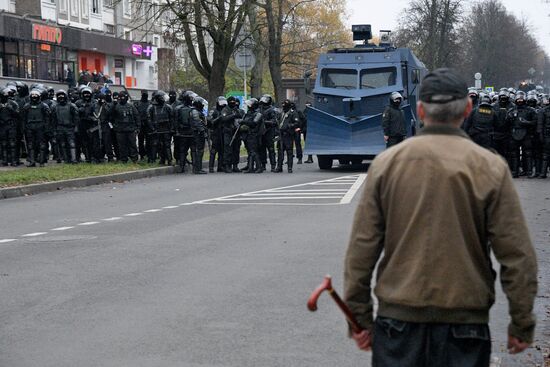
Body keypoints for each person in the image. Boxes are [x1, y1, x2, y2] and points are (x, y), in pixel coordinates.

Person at [344, 68, 537, 367]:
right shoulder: (490, 167)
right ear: (468, 109)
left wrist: (359, 318)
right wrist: (521, 321)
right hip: (465, 321)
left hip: (398, 320)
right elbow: (517, 253)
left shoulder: (386, 165)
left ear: (420, 110)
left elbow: (362, 248)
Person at [506, 91, 537, 178]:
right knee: (514, 154)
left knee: (528, 153)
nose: (520, 100)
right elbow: (506, 124)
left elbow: (535, 122)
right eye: (518, 99)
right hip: (514, 133)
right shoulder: (511, 110)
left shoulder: (530, 110)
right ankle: (515, 172)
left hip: (526, 133)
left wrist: (527, 122)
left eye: (521, 98)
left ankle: (529, 171)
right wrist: (509, 118)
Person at [22, 89, 50, 167]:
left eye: (36, 95)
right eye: (33, 95)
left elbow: (47, 118)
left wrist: (47, 128)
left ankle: (41, 162)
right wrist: (24, 128)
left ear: (39, 97)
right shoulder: (26, 106)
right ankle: (32, 161)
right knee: (30, 145)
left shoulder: (44, 106)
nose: (34, 97)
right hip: (30, 128)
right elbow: (24, 118)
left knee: (42, 145)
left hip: (40, 128)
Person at [110, 90, 139, 163]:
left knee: (132, 145)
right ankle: (124, 159)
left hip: (130, 129)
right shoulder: (116, 106)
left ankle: (134, 159)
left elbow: (136, 116)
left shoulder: (131, 106)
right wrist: (115, 127)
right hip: (120, 130)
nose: (122, 98)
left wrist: (138, 127)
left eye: (123, 97)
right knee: (122, 146)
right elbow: (111, 117)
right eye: (120, 97)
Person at [51, 89, 79, 163]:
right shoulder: (55, 107)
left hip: (70, 128)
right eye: (59, 95)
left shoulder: (72, 106)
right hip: (60, 128)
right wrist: (54, 130)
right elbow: (53, 120)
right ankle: (66, 159)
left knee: (72, 144)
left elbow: (76, 118)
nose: (61, 97)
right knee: (62, 144)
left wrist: (76, 127)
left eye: (62, 95)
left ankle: (74, 159)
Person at [147, 90, 173, 165]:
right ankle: (154, 160)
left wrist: (171, 128)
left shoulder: (168, 107)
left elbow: (172, 119)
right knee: (156, 145)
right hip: (156, 129)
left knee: (167, 145)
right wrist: (152, 128)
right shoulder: (151, 107)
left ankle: (169, 160)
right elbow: (149, 119)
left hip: (166, 129)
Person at [275, 99, 300, 173]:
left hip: (288, 135)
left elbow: (297, 123)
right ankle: (279, 167)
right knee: (280, 151)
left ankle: (289, 167)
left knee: (289, 152)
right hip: (281, 134)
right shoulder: (281, 113)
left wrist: (289, 126)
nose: (284, 107)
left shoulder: (293, 113)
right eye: (283, 106)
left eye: (285, 106)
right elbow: (278, 122)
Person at [240, 98, 264, 173]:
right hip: (248, 135)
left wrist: (243, 121)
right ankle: (250, 167)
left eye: (250, 105)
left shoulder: (258, 114)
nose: (248, 106)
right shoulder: (248, 113)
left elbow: (254, 123)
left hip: (254, 135)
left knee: (254, 151)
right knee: (250, 151)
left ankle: (259, 167)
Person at [0, 87, 20, 166]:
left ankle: (13, 160)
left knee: (12, 144)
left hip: (11, 126)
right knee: (3, 144)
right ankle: (4, 160)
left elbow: (18, 114)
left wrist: (11, 109)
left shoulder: (13, 103)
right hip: (2, 126)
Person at [207, 96, 226, 173]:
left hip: (222, 132)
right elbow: (210, 122)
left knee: (222, 150)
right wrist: (219, 118)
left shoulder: (224, 110)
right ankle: (211, 167)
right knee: (214, 150)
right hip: (215, 132)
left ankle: (220, 166)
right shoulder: (213, 111)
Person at [190, 96, 208, 174]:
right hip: (197, 134)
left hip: (198, 133)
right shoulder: (194, 111)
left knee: (199, 151)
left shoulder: (198, 111)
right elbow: (197, 123)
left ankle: (198, 168)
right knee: (199, 151)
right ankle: (197, 168)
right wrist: (203, 132)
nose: (203, 105)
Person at [135, 90, 151, 161]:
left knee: (148, 141)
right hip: (140, 125)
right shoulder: (137, 104)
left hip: (148, 125)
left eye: (145, 94)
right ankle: (142, 155)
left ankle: (148, 154)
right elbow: (136, 115)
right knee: (141, 141)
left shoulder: (150, 104)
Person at [538, 94, 550, 178]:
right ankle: (543, 173)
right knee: (545, 154)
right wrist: (540, 135)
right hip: (547, 134)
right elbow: (540, 124)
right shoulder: (543, 111)